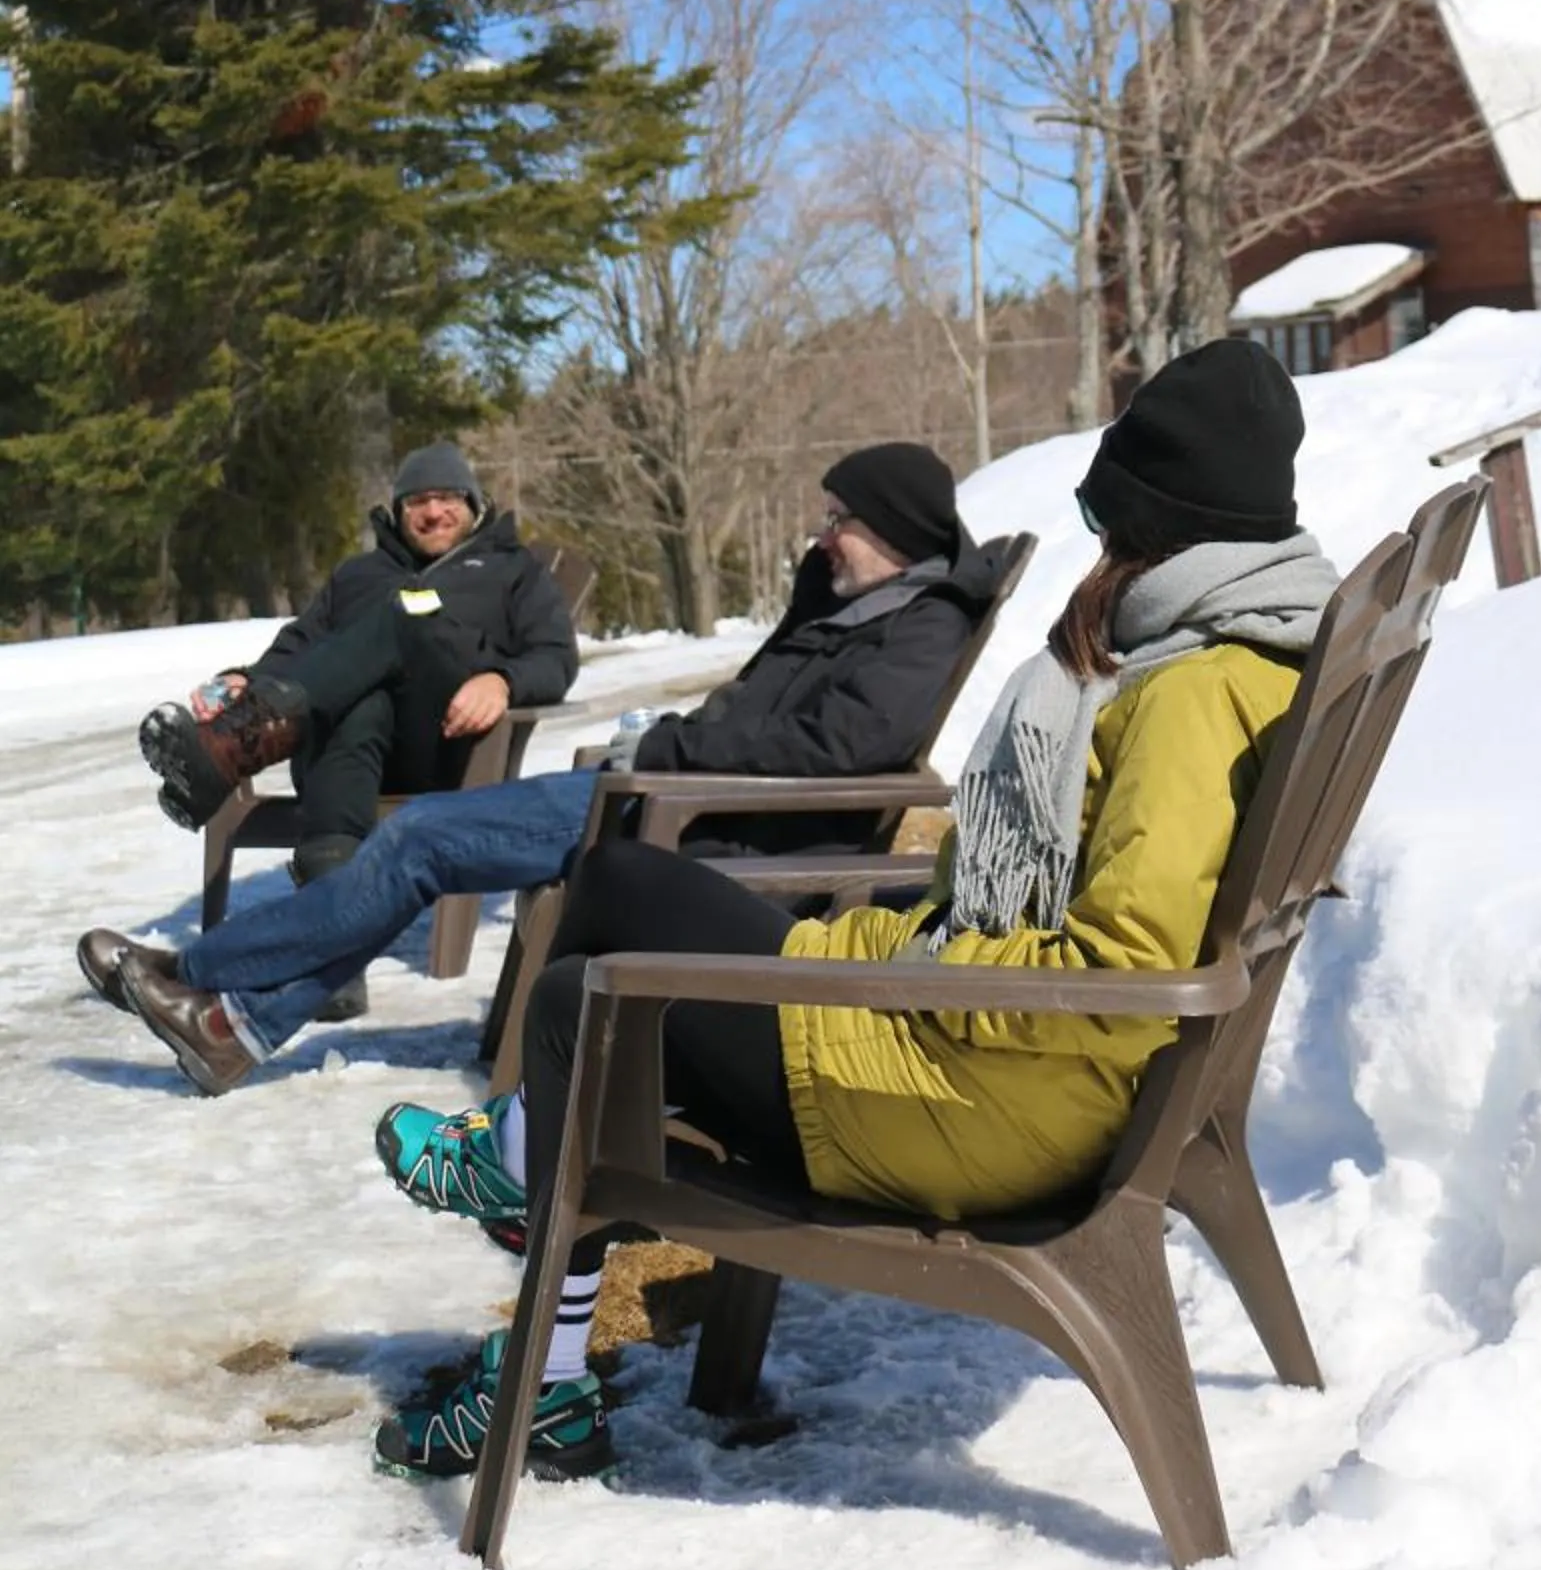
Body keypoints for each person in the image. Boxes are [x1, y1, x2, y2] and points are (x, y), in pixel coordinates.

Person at [367, 338, 1341, 1485]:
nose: (1097, 547)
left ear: (1154, 522)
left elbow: (1119, 974)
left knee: (589, 997)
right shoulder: (1242, 653)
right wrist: (872, 947)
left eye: (1109, 517)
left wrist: (907, 982)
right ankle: (530, 1205)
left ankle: (535, 1305)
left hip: (973, 1102)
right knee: (623, 888)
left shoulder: (1188, 692)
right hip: (990, 1068)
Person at [81, 442, 1002, 1091]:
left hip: (704, 818)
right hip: (665, 790)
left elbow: (847, 748)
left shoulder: (921, 621)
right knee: (420, 829)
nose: (822, 536)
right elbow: (770, 717)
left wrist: (666, 747)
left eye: (838, 521)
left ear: (891, 528)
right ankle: (232, 1024)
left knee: (424, 838)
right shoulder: (851, 606)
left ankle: (199, 972)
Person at [125, 444, 581, 1022]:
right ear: (397, 512)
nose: (433, 512)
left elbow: (556, 658)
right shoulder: (357, 574)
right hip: (349, 749)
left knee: (408, 616)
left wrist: (503, 679)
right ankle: (333, 973)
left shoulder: (513, 570)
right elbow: (299, 644)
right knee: (357, 709)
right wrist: (249, 678)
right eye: (418, 501)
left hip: (446, 746)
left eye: (447, 499)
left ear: (473, 505)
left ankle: (230, 752)